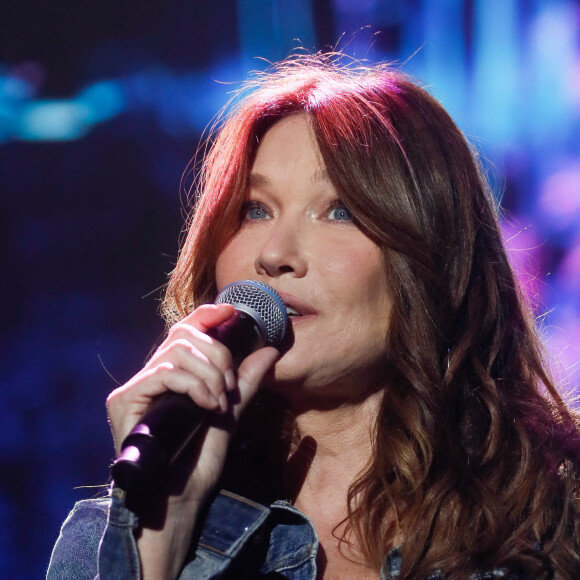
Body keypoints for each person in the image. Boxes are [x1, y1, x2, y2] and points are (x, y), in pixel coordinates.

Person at [47, 53, 580, 580]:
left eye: (339, 211)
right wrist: (159, 545)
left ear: (435, 259)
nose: (274, 253)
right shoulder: (103, 551)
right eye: (254, 210)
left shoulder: (555, 517)